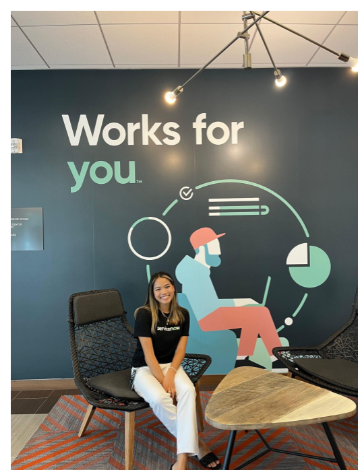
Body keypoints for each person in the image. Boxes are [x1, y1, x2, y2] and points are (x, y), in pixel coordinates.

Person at [130, 271, 221, 470]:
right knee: (159, 398)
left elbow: (181, 349)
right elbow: (148, 354)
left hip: (172, 365)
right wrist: (163, 381)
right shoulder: (144, 314)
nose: (163, 291)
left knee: (187, 390)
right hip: (144, 368)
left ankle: (181, 462)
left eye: (167, 286)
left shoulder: (182, 314)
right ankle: (198, 445)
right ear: (152, 293)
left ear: (174, 288)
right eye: (158, 288)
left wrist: (171, 373)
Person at [176, 227, 282, 369]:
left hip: (207, 314)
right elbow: (209, 306)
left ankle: (242, 359)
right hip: (205, 319)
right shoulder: (195, 272)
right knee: (260, 313)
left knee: (253, 311)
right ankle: (277, 359)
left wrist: (243, 302)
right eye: (214, 245)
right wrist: (239, 302)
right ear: (202, 249)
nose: (219, 251)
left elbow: (207, 301)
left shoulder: (196, 269)